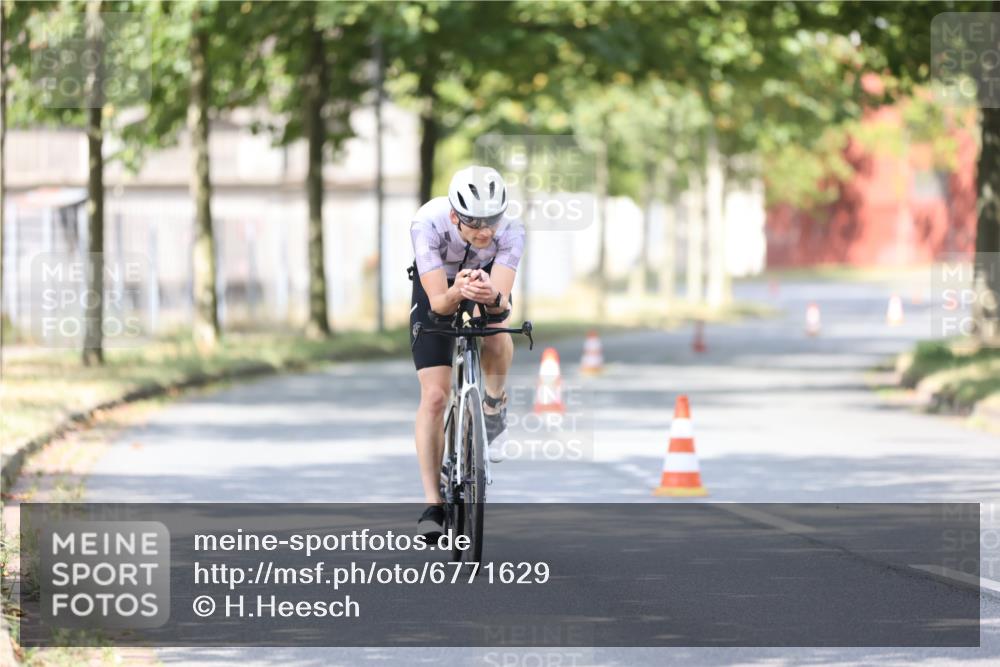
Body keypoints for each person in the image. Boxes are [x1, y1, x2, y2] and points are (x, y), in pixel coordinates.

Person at [408, 165, 525, 539]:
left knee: (495, 330)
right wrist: (457, 292)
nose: (485, 230)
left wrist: (490, 296)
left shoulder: (511, 231)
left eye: (492, 219)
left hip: (485, 283)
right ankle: (433, 504)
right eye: (475, 222)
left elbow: (501, 307)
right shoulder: (427, 223)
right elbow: (439, 304)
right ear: (455, 215)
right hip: (439, 286)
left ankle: (493, 406)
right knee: (436, 395)